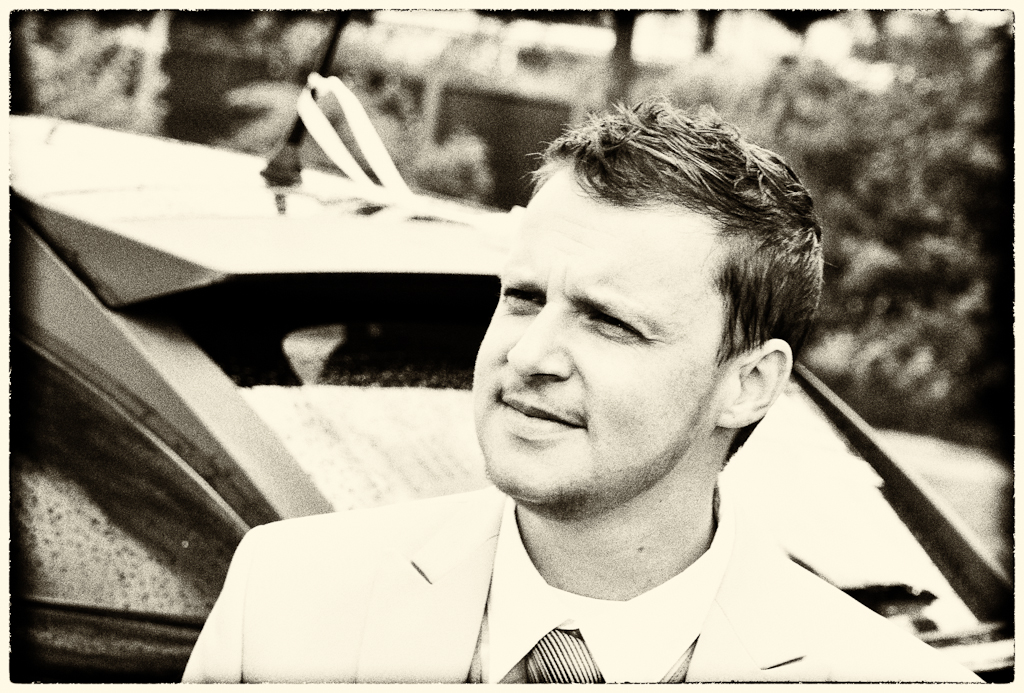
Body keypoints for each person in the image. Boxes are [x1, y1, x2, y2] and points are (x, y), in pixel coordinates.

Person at [181, 101, 980, 683]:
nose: (530, 354)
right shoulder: (282, 603)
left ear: (748, 384)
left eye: (609, 322)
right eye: (524, 297)